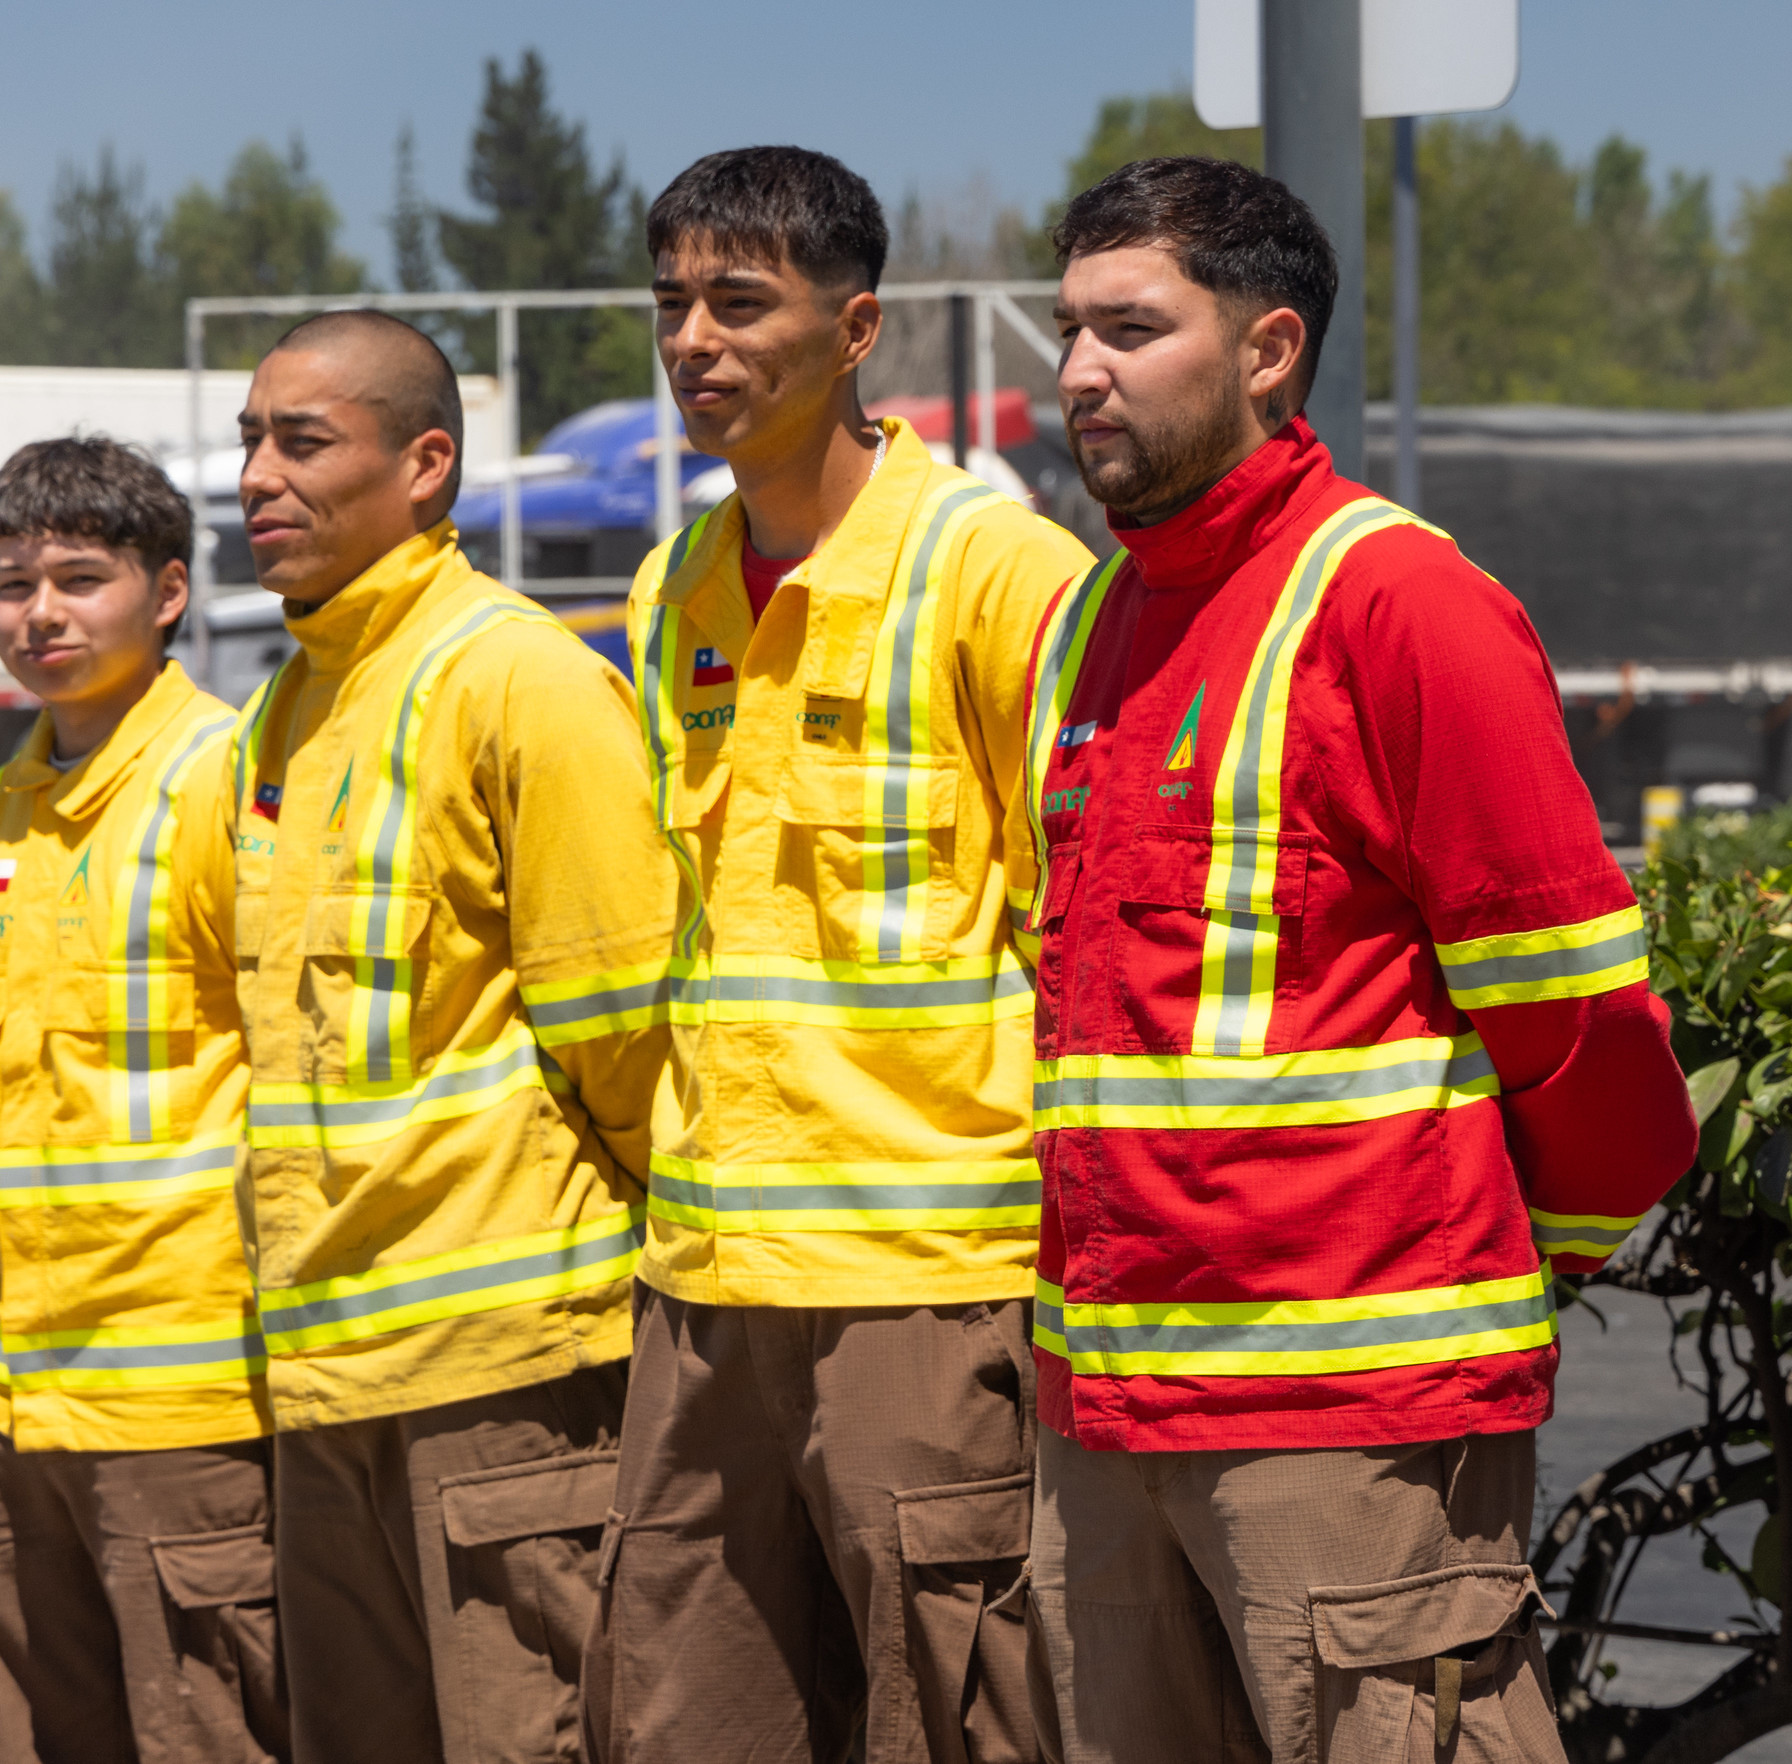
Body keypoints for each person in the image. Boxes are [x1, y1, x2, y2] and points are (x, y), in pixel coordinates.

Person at [1017, 155, 1700, 1763]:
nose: (1077, 374)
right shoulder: (1094, 622)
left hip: (1350, 1426)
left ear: (1268, 351)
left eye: (1129, 328)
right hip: (1106, 1415)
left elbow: (1584, 1030)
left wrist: (1498, 1279)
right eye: (1070, 330)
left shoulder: (1399, 601)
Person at [581, 147, 1098, 1764]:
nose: (695, 344)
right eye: (673, 305)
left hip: (925, 1288)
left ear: (857, 325)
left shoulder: (997, 571)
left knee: (959, 1718)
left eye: (743, 304)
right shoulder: (673, 586)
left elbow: (1076, 923)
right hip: (709, 1286)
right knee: (680, 1716)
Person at [226, 309, 673, 1764]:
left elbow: (631, 1037)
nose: (257, 478)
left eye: (303, 442)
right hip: (325, 1376)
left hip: (504, 1383)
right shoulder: (284, 711)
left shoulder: (522, 680)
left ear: (427, 465)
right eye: (250, 441)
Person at [0, 437, 284, 1764]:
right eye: (11, 585)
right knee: (22, 1727)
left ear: (169, 593)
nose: (39, 615)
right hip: (11, 1385)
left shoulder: (229, 781)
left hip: (183, 1385)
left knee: (208, 1730)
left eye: (79, 579)